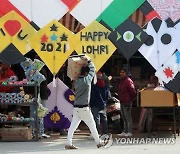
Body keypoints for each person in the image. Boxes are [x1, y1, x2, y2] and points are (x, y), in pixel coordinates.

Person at [65, 56, 104, 149]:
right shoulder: (87, 80)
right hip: (84, 107)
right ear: (86, 73)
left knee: (73, 126)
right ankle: (98, 142)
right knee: (92, 125)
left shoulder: (76, 81)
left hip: (76, 107)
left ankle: (68, 143)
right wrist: (89, 60)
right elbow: (93, 69)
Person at [118, 68, 136, 137]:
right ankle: (125, 131)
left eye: (123, 72)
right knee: (123, 117)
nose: (121, 73)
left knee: (128, 117)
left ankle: (129, 131)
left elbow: (133, 91)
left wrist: (130, 99)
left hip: (127, 101)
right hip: (122, 101)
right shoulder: (122, 81)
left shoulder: (128, 81)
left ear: (126, 73)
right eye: (120, 72)